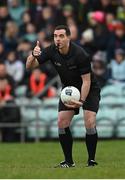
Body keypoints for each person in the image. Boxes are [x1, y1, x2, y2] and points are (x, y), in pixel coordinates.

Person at [26, 25, 101, 168]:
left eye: (61, 36)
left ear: (68, 37)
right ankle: (68, 162)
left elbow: (86, 81)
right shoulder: (51, 50)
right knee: (61, 122)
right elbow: (30, 66)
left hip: (89, 90)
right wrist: (32, 55)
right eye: (55, 36)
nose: (57, 39)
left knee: (89, 122)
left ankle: (91, 161)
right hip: (68, 91)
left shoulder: (80, 54)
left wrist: (81, 101)